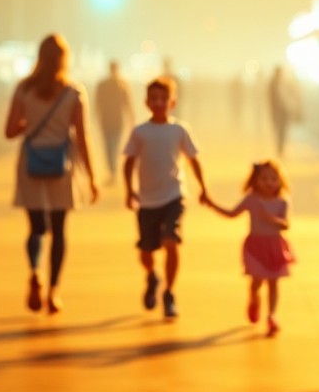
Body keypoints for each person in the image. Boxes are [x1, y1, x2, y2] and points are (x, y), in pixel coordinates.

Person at [4, 35, 100, 315]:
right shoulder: (73, 92)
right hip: (62, 166)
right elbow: (82, 137)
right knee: (58, 230)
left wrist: (30, 124)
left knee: (35, 227)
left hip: (30, 163)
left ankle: (35, 270)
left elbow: (9, 131)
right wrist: (92, 177)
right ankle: (54, 292)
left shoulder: (24, 88)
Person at [123, 76, 209, 320]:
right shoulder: (140, 132)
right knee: (146, 251)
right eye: (154, 98)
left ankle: (169, 292)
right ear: (147, 102)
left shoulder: (179, 130)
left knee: (172, 241)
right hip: (147, 200)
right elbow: (129, 162)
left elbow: (193, 160)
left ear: (172, 102)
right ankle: (152, 276)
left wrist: (203, 188)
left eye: (163, 98)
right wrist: (129, 190)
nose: (159, 102)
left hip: (174, 196)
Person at [203, 159, 295, 337]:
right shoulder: (252, 199)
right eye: (264, 179)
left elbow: (286, 225)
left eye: (273, 179)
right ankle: (254, 299)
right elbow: (232, 214)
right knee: (257, 281)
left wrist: (271, 219)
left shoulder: (283, 202)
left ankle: (272, 316)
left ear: (280, 181)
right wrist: (211, 204)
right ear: (254, 181)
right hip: (255, 246)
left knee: (274, 283)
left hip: (275, 246)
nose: (269, 182)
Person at [94, 60, 135, 184]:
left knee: (112, 146)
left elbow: (127, 103)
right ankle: (113, 170)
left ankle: (113, 171)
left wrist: (131, 117)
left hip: (114, 120)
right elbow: (98, 102)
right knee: (110, 146)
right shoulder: (113, 84)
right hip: (109, 119)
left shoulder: (118, 84)